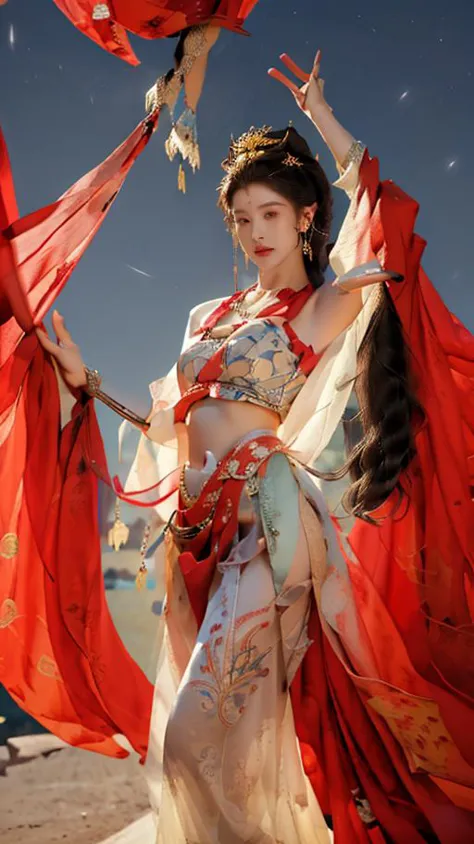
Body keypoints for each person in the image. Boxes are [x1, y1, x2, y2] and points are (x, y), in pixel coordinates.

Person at [3, 48, 474, 843]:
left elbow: (383, 222)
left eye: (271, 214)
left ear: (304, 219)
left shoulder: (325, 306)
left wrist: (324, 120)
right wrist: (87, 383)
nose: (255, 231)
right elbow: (168, 426)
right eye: (242, 216)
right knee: (237, 746)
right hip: (197, 535)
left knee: (193, 742)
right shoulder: (202, 316)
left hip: (272, 531)